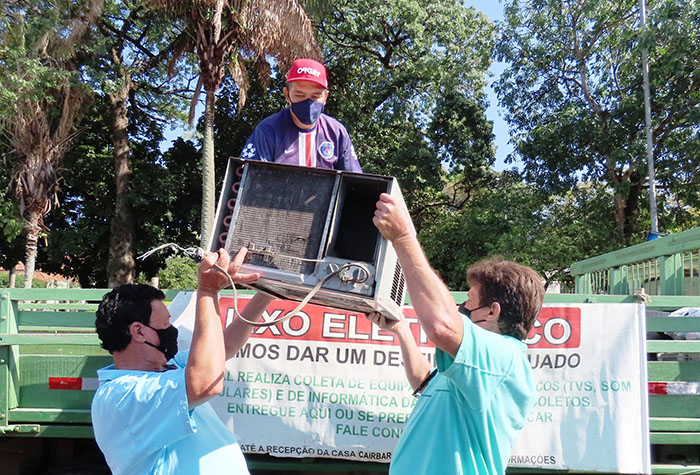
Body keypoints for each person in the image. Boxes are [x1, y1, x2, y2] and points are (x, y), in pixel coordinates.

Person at [369, 193, 545, 474]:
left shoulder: (504, 356)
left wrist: (402, 237)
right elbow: (425, 384)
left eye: (470, 302)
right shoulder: (477, 367)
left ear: (492, 312)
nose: (461, 308)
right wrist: (401, 329)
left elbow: (441, 325)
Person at [91, 248, 274, 475]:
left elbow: (223, 347)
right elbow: (205, 384)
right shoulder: (124, 396)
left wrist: (268, 291)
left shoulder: (167, 369)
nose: (172, 330)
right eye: (165, 325)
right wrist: (207, 291)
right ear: (139, 332)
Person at [240, 58, 362, 172]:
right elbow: (247, 179)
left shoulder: (336, 132)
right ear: (287, 95)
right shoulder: (268, 130)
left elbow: (354, 182)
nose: (308, 104)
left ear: (325, 97)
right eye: (300, 95)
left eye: (316, 96)